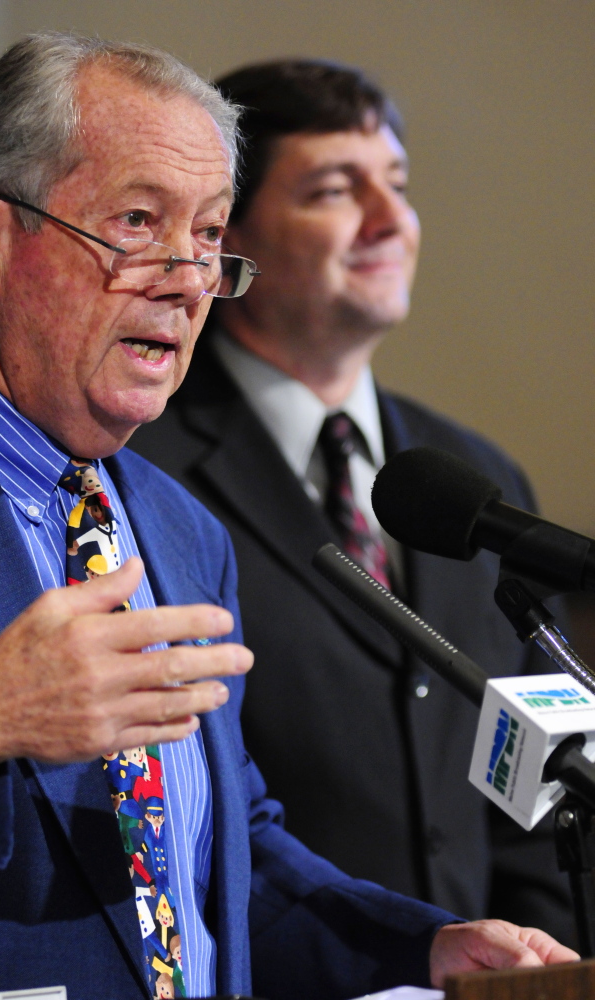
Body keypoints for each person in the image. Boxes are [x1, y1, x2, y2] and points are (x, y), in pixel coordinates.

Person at [0, 33, 577, 1000]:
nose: (188, 279)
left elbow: (218, 867)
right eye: (140, 222)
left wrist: (414, 947)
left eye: (208, 237)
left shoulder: (181, 530)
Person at [130, 58, 575, 944]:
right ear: (230, 240)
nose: (389, 221)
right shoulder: (146, 469)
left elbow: (541, 797)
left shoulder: (480, 480)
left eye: (398, 185)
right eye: (336, 190)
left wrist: (534, 967)